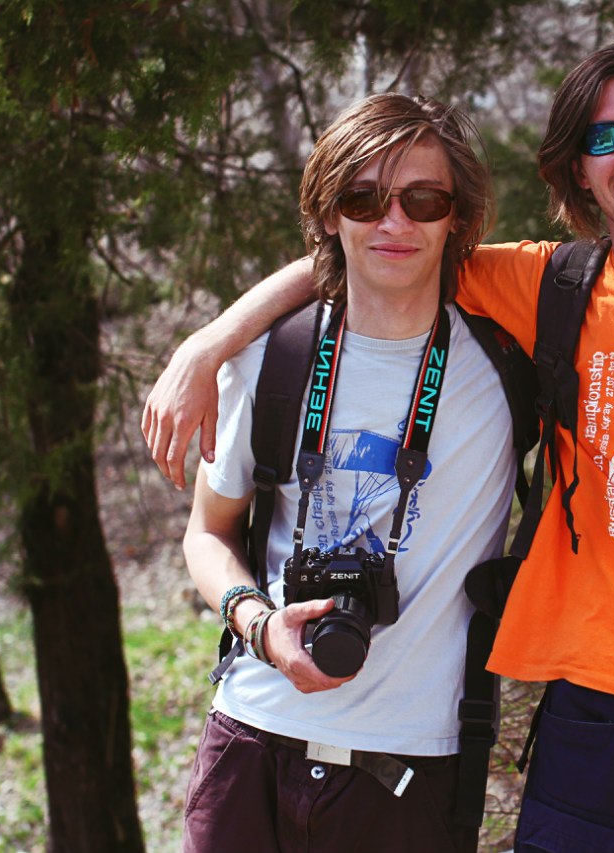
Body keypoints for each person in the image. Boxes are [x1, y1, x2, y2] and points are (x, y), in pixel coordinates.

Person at [145, 37, 614, 853]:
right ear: (579, 169)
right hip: (596, 727)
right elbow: (375, 250)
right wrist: (209, 344)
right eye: (604, 137)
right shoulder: (550, 288)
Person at [179, 92, 509, 853]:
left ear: (456, 218)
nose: (394, 223)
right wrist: (258, 624)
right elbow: (207, 532)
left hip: (411, 770)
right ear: (330, 214)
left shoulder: (508, 366)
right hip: (251, 744)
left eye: (423, 200)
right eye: (363, 199)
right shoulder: (269, 359)